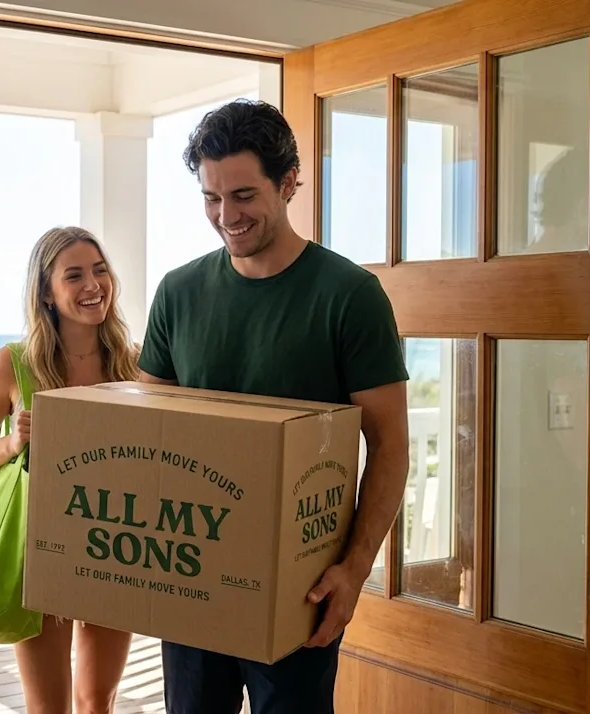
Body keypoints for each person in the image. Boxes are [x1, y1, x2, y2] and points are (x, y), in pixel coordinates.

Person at [138, 99, 411, 714]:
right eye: (211, 198)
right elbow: (146, 430)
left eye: (243, 195)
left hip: (301, 586)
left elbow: (390, 447)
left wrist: (356, 568)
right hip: (191, 575)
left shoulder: (350, 297)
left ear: (289, 183)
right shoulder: (178, 293)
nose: (226, 216)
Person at [0, 226, 140, 714]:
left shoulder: (134, 364)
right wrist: (13, 443)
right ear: (46, 292)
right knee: (49, 708)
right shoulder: (14, 364)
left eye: (100, 271)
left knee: (97, 700)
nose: (93, 285)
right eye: (74, 275)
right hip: (39, 554)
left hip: (113, 547)